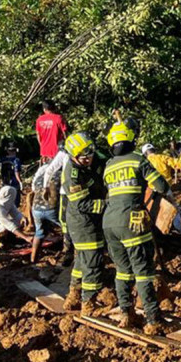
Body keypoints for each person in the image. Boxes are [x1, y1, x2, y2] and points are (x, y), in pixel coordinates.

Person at [102, 120, 173, 335]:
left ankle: (126, 313)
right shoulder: (137, 160)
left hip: (109, 223)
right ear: (131, 140)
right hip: (132, 222)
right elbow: (162, 185)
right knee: (143, 272)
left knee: (122, 271)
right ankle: (153, 320)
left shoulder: (108, 165)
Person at [62, 132, 109, 314]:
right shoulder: (72, 175)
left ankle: (73, 295)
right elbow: (82, 204)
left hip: (91, 220)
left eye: (90, 153)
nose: (89, 157)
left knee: (82, 260)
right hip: (83, 223)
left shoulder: (94, 159)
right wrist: (109, 206)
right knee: (93, 261)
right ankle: (89, 301)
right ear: (74, 156)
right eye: (84, 156)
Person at [30, 156, 63, 262]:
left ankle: (33, 259)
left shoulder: (41, 176)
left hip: (36, 209)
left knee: (39, 233)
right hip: (51, 208)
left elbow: (34, 189)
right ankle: (71, 255)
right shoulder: (60, 175)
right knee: (69, 230)